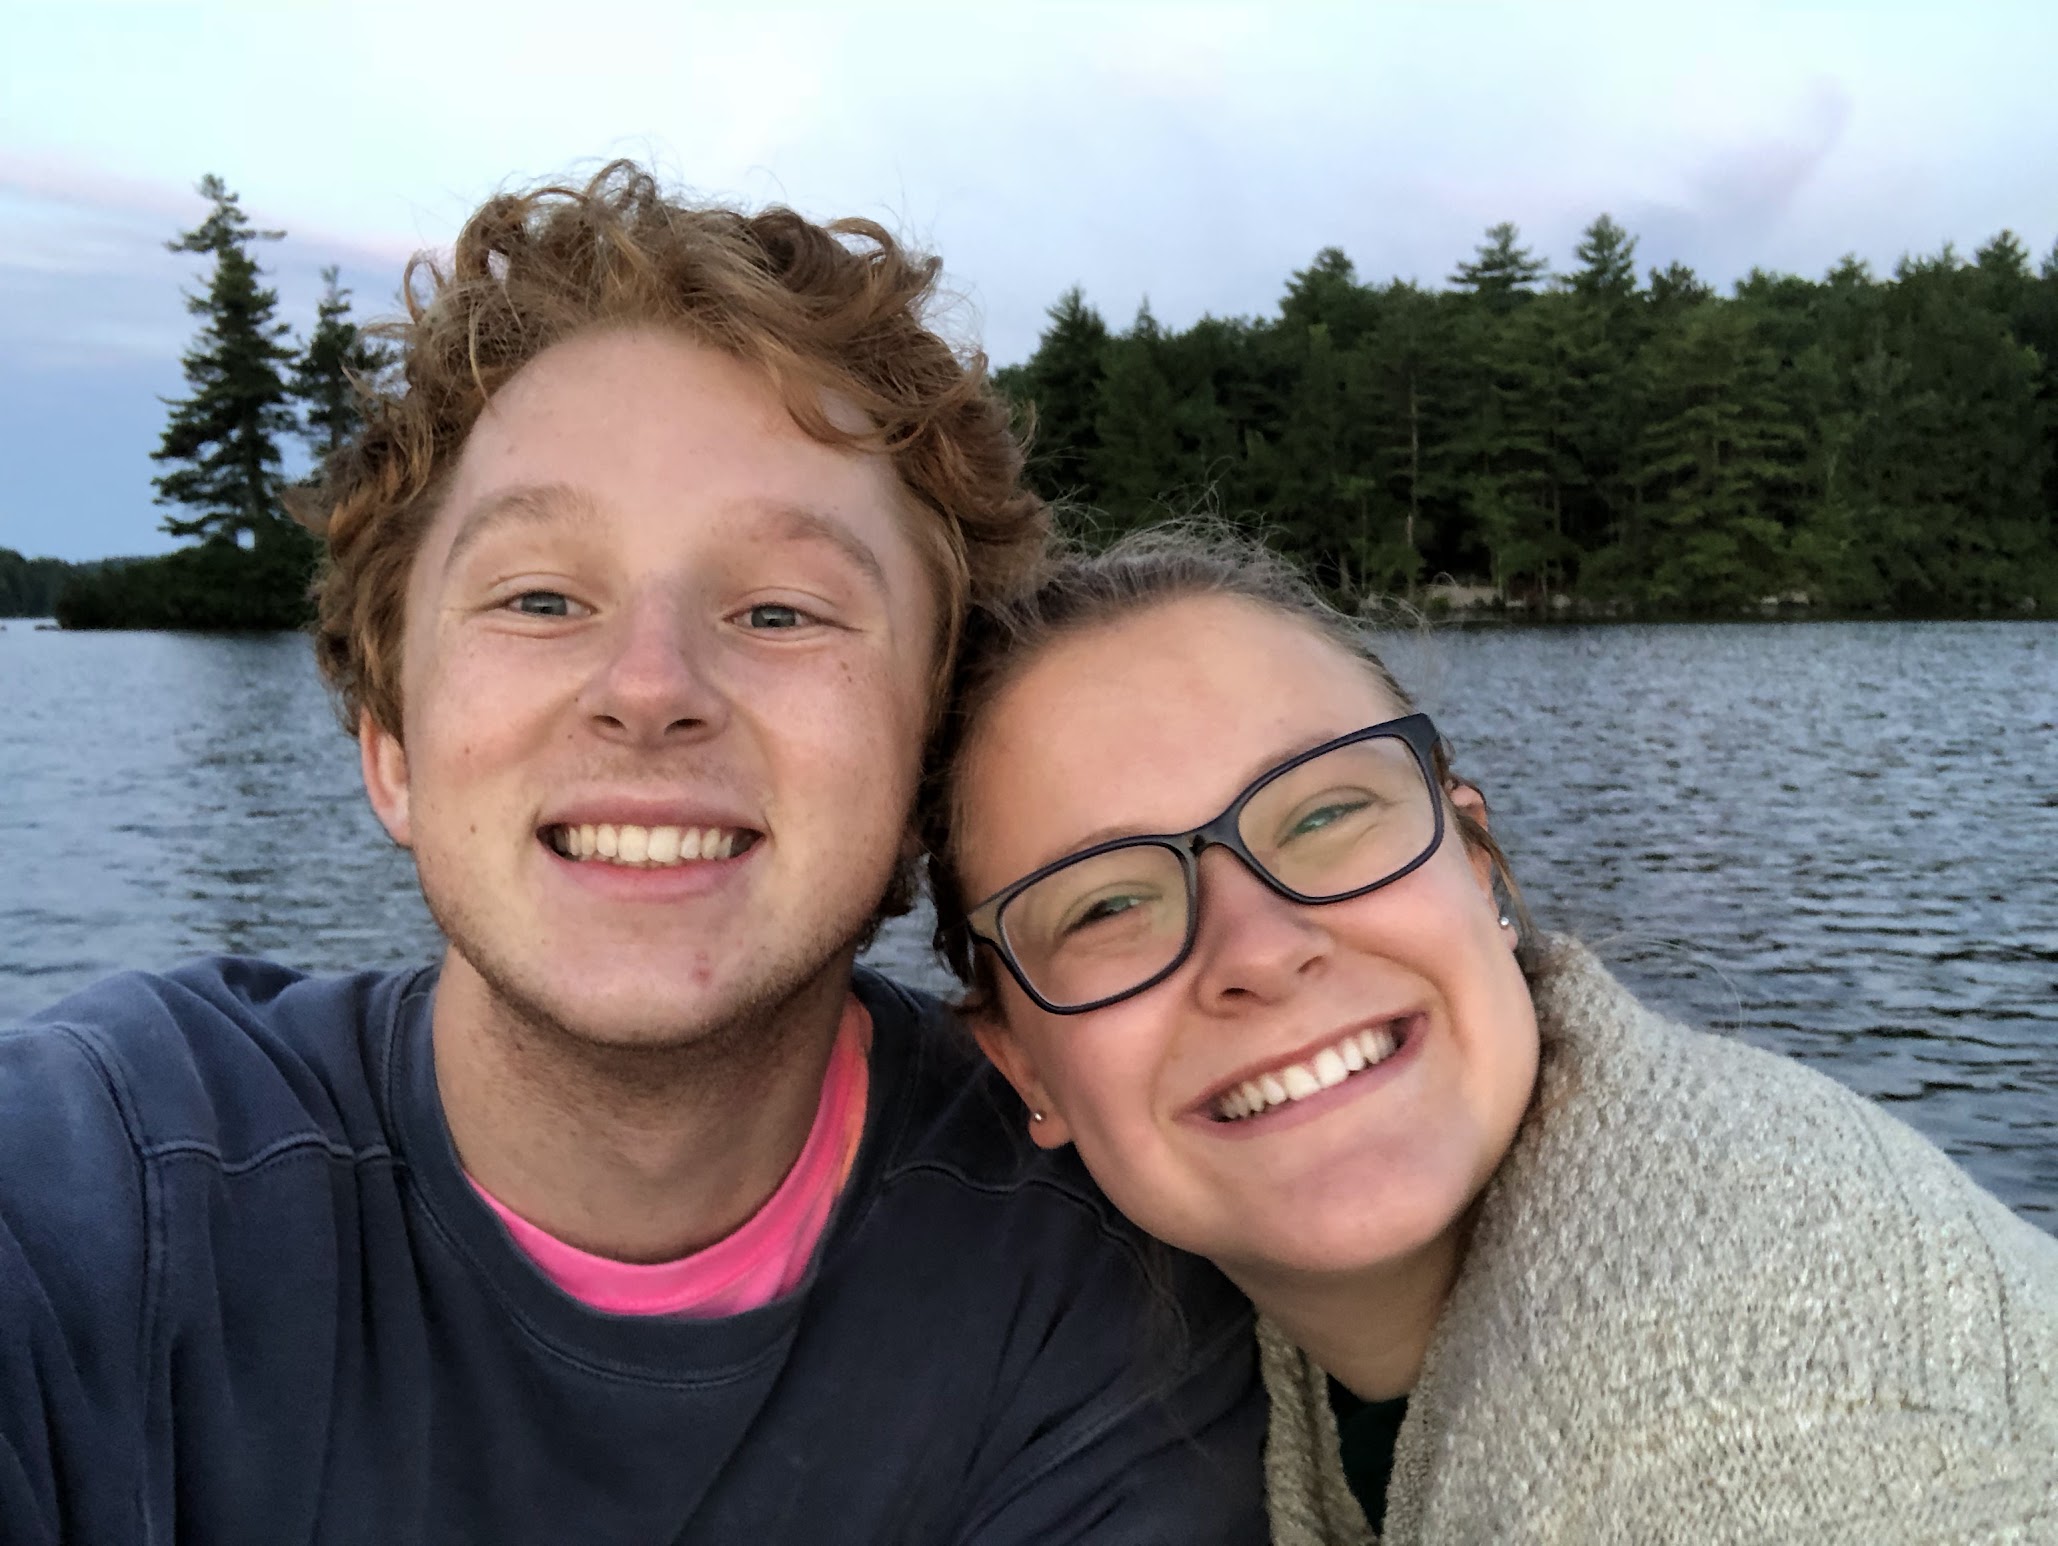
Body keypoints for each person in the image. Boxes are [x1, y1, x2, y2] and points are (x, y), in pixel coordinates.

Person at [0, 167, 1266, 1544]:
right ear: (394, 747)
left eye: (781, 611)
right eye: (541, 597)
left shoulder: (1096, 1285)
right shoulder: (98, 1193)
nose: (650, 686)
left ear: (924, 767)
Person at [923, 526, 2058, 1544]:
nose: (1259, 949)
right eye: (1105, 906)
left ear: (1479, 869)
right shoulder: (1186, 1352)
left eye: (1325, 814)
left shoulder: (1740, 1392)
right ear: (1021, 1063)